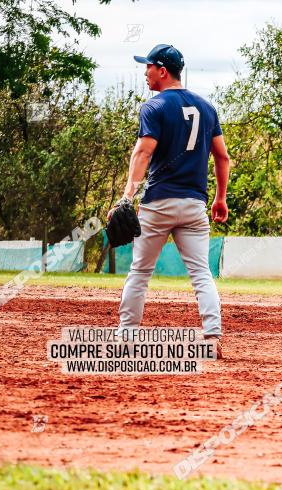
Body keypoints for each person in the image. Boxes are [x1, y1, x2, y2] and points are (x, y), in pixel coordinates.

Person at [110, 44, 230, 356]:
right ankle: (212, 338)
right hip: (193, 206)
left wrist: (126, 197)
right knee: (201, 273)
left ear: (162, 70)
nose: (145, 73)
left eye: (148, 66)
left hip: (159, 203)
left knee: (139, 273)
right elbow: (223, 157)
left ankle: (126, 339)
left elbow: (143, 152)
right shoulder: (207, 108)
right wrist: (220, 199)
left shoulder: (154, 106)